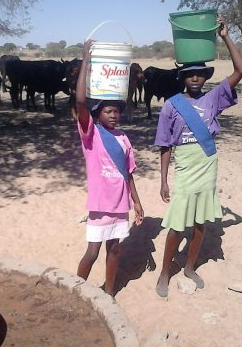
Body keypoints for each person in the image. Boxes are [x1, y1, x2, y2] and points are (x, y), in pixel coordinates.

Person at [154, 16, 242, 298]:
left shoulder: (214, 97)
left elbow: (241, 69)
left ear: (206, 76)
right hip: (185, 168)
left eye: (200, 74)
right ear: (182, 77)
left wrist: (225, 36)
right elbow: (165, 145)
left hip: (207, 166)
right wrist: (164, 181)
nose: (195, 77)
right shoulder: (172, 105)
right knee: (176, 225)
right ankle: (164, 272)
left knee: (200, 223)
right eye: (190, 74)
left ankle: (190, 267)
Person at [75, 39, 144, 297]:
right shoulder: (91, 134)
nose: (113, 115)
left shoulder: (124, 138)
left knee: (114, 250)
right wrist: (86, 60)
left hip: (120, 206)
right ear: (98, 115)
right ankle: (76, 291)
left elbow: (129, 174)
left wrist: (136, 202)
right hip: (99, 205)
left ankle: (110, 292)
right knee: (92, 252)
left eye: (116, 111)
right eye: (107, 111)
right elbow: (81, 101)